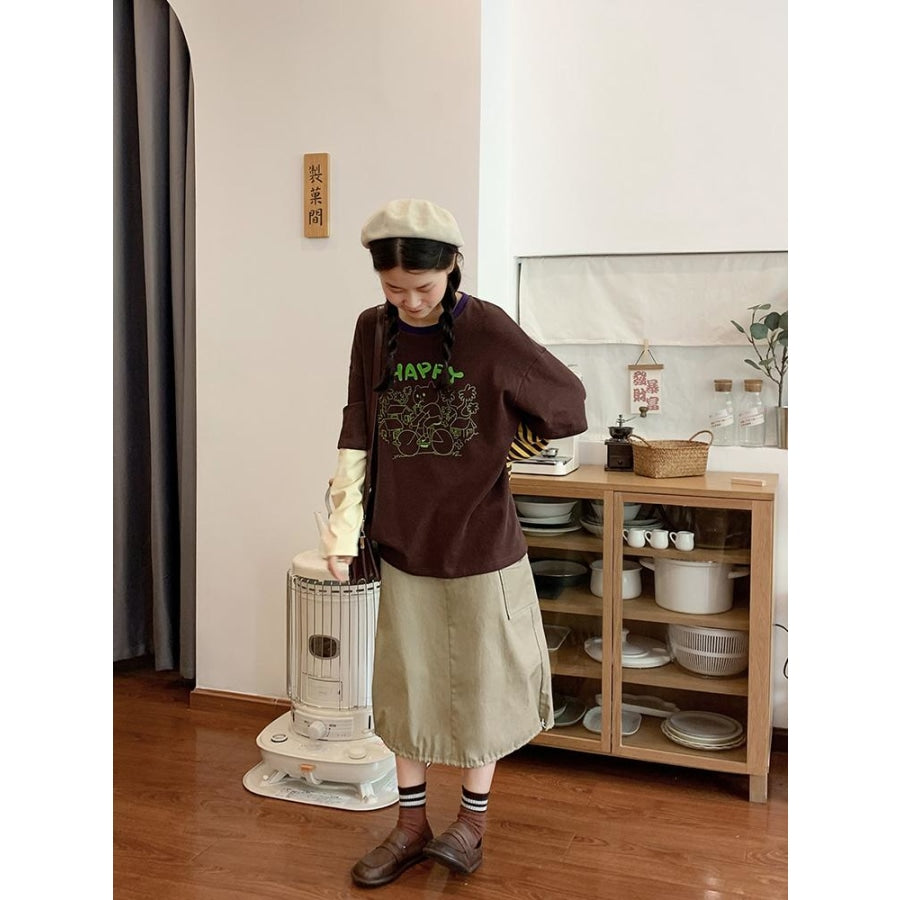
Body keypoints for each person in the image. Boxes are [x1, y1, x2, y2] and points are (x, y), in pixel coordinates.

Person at [320, 198, 587, 887]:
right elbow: (357, 426)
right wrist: (342, 529)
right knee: (405, 687)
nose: (409, 302)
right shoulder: (371, 330)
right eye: (394, 289)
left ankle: (471, 824)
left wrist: (507, 450)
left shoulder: (488, 328)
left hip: (479, 543)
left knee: (482, 686)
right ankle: (411, 825)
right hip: (402, 539)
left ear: (453, 268)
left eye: (424, 288)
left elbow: (567, 400)